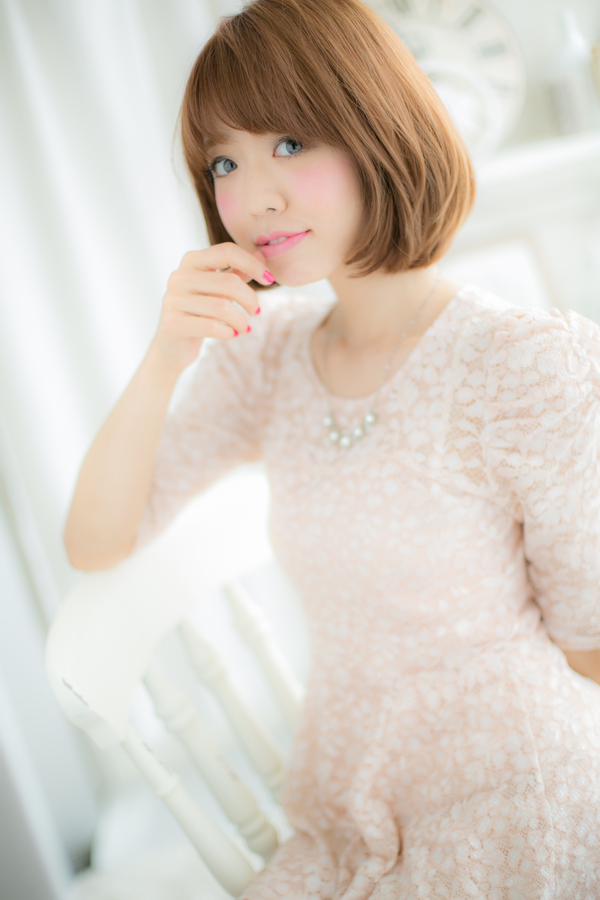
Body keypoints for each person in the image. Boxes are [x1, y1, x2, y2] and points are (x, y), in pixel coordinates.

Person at [64, 0, 600, 895]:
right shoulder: (268, 361)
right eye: (224, 162)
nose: (252, 198)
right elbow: (95, 542)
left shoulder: (523, 366)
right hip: (343, 802)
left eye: (289, 143)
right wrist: (164, 356)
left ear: (376, 127)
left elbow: (589, 641)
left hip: (516, 793)